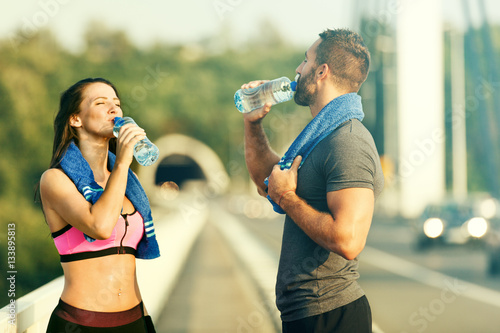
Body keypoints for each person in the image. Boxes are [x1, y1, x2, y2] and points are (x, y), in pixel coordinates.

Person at [241, 28, 384, 332]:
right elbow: (268, 182)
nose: (297, 70)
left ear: (321, 71)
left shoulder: (347, 142)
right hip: (307, 314)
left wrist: (289, 199)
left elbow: (348, 241)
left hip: (331, 315)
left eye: (304, 61)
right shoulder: (321, 138)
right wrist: (253, 124)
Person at [39, 78, 160, 332]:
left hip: (135, 320)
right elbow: (101, 226)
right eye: (101, 103)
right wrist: (124, 162)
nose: (114, 109)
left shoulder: (128, 181)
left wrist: (147, 322)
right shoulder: (56, 180)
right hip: (80, 324)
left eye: (116, 103)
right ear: (76, 119)